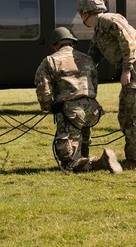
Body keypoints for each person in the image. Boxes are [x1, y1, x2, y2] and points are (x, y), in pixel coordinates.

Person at [77, 0, 136, 170]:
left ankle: (135, 161)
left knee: (134, 114)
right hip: (134, 68)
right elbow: (92, 58)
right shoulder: (99, 31)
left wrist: (127, 69)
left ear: (85, 14)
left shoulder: (108, 20)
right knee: (124, 114)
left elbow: (128, 41)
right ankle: (132, 157)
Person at [34, 27, 122, 173]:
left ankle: (101, 162)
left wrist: (49, 106)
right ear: (72, 43)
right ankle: (87, 160)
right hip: (91, 109)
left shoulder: (50, 60)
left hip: (70, 113)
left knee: (69, 163)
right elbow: (94, 83)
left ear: (55, 44)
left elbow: (44, 89)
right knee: (83, 144)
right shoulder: (87, 59)